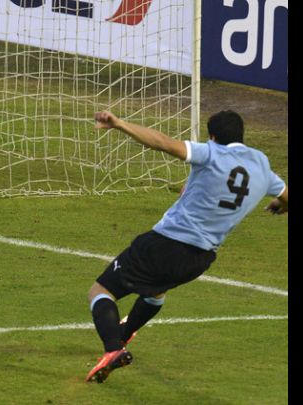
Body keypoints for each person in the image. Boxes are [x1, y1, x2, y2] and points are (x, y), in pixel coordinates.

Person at [84, 110, 287, 383]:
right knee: (156, 290)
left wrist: (120, 124)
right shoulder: (261, 164)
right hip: (200, 259)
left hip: (165, 243)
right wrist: (281, 204)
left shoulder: (211, 153)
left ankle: (113, 349)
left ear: (213, 137)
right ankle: (126, 331)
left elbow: (163, 143)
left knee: (101, 291)